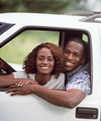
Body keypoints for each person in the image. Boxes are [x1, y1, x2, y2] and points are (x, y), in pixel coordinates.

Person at [2, 37, 91, 109]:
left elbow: (71, 100)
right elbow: (24, 76)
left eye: (76, 55)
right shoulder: (60, 71)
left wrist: (33, 88)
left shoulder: (77, 78)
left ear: (82, 60)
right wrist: (9, 69)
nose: (69, 57)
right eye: (67, 52)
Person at [0, 43, 65, 90]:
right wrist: (20, 80)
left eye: (50, 59)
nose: (45, 62)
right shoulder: (24, 75)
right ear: (34, 61)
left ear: (55, 63)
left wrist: (34, 88)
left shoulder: (59, 78)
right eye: (40, 59)